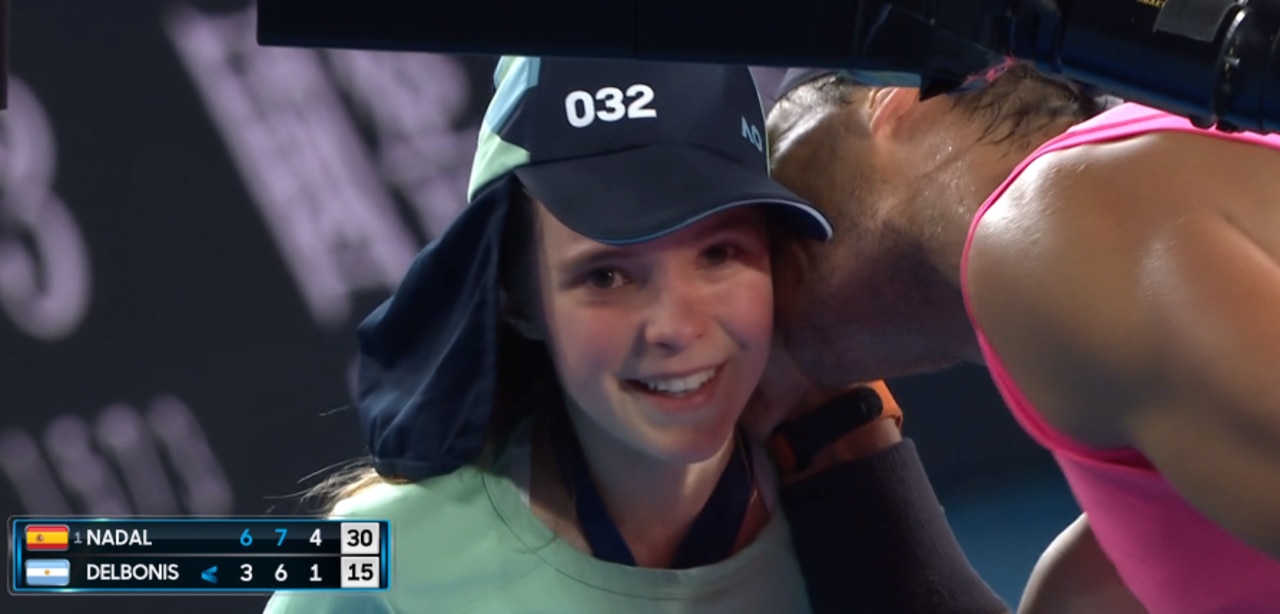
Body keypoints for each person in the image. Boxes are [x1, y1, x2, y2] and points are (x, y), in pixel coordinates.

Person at [264, 56, 1006, 614]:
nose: (677, 326)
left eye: (720, 254)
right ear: (515, 298)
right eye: (607, 277)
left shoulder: (854, 513)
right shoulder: (369, 561)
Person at [757, 62, 1280, 613]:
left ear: (901, 98)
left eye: (771, 157)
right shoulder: (1112, 553)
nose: (751, 234)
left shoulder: (1065, 216)